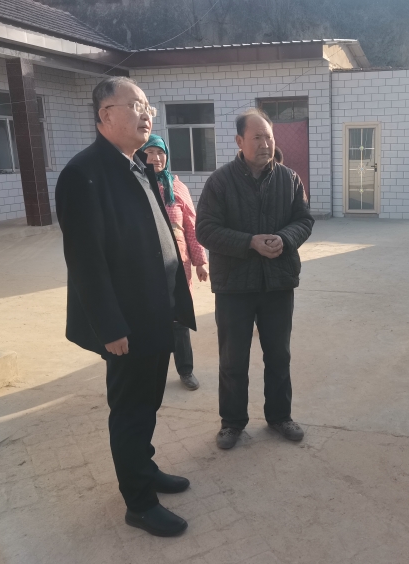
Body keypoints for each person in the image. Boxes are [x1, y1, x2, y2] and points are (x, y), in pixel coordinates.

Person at [55, 77, 197, 538]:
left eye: (148, 106)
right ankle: (139, 503)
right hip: (127, 324)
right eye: (135, 105)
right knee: (131, 410)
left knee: (149, 402)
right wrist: (109, 327)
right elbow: (86, 261)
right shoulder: (84, 173)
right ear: (105, 115)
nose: (146, 114)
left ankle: (145, 468)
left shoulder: (136, 165)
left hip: (155, 311)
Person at [196, 108, 314, 450]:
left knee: (278, 355)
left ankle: (280, 416)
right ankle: (232, 422)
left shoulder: (289, 179)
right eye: (257, 137)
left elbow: (304, 220)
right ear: (239, 141)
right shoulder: (220, 181)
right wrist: (249, 242)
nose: (265, 144)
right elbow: (205, 229)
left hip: (278, 283)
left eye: (269, 137)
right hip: (234, 285)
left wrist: (285, 239)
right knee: (233, 358)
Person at [141, 134, 208, 391]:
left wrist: (200, 261)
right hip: (147, 265)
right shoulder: (136, 186)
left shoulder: (178, 188)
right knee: (150, 319)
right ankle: (150, 373)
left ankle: (185, 370)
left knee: (179, 319)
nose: (156, 158)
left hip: (179, 264)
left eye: (160, 152)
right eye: (149, 153)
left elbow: (191, 227)